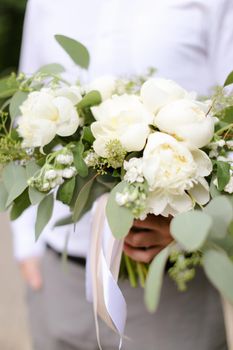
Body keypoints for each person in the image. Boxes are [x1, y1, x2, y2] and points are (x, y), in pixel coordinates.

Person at [12, 0, 233, 349]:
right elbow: (28, 115)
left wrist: (192, 228)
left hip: (169, 278)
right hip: (60, 272)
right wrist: (27, 245)